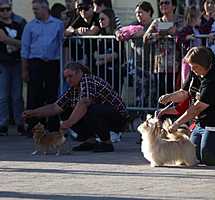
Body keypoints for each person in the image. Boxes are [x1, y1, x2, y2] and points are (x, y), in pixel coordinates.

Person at [158, 46, 215, 165]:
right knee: (192, 155)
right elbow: (184, 93)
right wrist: (169, 97)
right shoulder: (195, 71)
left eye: (196, 67)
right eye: (191, 67)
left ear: (207, 65)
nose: (193, 70)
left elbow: (196, 108)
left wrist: (176, 124)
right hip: (201, 123)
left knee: (209, 158)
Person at [23, 62, 129, 152]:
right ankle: (90, 140)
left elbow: (84, 102)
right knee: (65, 110)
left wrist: (68, 123)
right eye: (66, 78)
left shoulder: (87, 80)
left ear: (80, 73)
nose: (68, 80)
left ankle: (106, 143)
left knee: (91, 109)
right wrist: (33, 112)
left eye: (70, 76)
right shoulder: (73, 89)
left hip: (119, 118)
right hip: (106, 114)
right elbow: (55, 107)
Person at [21, 0, 64, 136]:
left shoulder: (58, 24)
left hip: (52, 63)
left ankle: (52, 126)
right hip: (36, 63)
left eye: (37, 9)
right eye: (33, 9)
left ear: (45, 8)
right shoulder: (30, 26)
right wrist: (24, 69)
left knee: (52, 94)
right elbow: (25, 49)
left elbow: (63, 45)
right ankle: (32, 126)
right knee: (34, 95)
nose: (34, 12)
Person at [144, 0, 183, 99]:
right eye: (161, 3)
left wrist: (161, 32)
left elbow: (179, 33)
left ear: (174, 6)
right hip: (160, 65)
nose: (163, 5)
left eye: (166, 2)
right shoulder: (157, 21)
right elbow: (146, 38)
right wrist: (160, 34)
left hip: (177, 64)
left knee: (176, 93)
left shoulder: (181, 20)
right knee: (161, 94)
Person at [0, 0, 25, 136]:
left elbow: (25, 42)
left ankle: (20, 123)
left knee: (17, 96)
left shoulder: (19, 22)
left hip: (17, 62)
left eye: (7, 9)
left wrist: (7, 40)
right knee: (3, 96)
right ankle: (3, 124)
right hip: (2, 63)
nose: (5, 12)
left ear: (11, 8)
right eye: (1, 10)